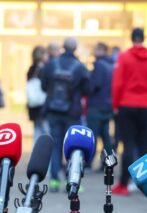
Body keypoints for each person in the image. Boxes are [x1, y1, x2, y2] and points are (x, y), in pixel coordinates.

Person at [111, 28, 147, 195]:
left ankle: (123, 184)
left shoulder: (124, 57)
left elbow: (118, 83)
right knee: (145, 146)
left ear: (131, 38)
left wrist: (115, 104)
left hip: (127, 104)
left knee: (128, 145)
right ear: (144, 38)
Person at [39, 37, 90, 192]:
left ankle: (54, 179)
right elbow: (88, 90)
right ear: (75, 49)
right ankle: (72, 180)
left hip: (53, 110)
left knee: (55, 144)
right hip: (72, 112)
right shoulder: (80, 67)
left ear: (63, 47)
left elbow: (43, 85)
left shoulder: (52, 64)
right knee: (74, 146)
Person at [87, 42, 114, 166]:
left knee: (92, 136)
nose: (94, 51)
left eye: (96, 49)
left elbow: (95, 85)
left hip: (96, 104)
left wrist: (87, 88)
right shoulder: (111, 65)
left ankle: (88, 162)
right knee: (105, 136)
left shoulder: (99, 65)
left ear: (102, 50)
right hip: (107, 104)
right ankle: (108, 163)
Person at [26, 45, 49, 141]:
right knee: (47, 130)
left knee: (37, 130)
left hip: (34, 105)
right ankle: (48, 152)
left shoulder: (31, 69)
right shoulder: (44, 69)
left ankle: (36, 151)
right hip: (42, 104)